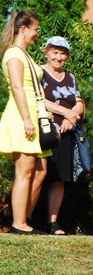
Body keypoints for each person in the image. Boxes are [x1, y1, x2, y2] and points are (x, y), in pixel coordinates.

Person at [0, 10, 49, 235]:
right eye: (35, 29)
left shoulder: (23, 54)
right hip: (21, 115)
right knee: (24, 171)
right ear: (23, 29)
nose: (37, 34)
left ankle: (24, 220)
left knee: (37, 171)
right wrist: (27, 118)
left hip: (31, 114)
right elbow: (17, 87)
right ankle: (19, 224)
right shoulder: (14, 55)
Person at [38, 36, 85, 235]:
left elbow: (79, 101)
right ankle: (30, 220)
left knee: (59, 179)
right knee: (39, 176)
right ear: (46, 52)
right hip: (46, 132)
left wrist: (72, 118)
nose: (59, 57)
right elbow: (38, 99)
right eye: (55, 52)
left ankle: (52, 223)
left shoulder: (70, 77)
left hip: (67, 133)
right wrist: (65, 112)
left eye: (63, 53)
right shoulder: (39, 72)